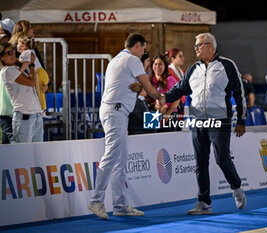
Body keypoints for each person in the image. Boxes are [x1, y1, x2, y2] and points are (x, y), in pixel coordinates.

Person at [164, 33, 247, 215]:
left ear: (210, 46)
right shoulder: (193, 69)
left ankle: (237, 187)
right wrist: (163, 97)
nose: (195, 49)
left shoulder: (227, 65)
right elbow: (180, 89)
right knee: (200, 162)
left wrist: (241, 119)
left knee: (221, 159)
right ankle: (204, 203)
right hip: (198, 120)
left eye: (198, 45)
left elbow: (240, 93)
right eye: (195, 46)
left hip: (220, 120)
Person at [88, 33, 165, 220]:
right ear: (138, 45)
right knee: (112, 155)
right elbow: (149, 88)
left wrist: (139, 87)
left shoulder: (117, 59)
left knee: (120, 161)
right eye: (144, 49)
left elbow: (135, 86)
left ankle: (119, 205)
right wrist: (162, 98)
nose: (144, 54)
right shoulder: (132, 59)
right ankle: (96, 200)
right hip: (115, 112)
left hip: (116, 111)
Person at [0, 42, 43, 143]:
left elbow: (34, 83)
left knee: (37, 155)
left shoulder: (20, 67)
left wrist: (42, 87)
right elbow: (31, 82)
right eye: (8, 52)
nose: (12, 54)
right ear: (2, 57)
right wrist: (31, 64)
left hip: (36, 114)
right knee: (23, 156)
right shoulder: (7, 71)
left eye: (13, 50)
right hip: (24, 117)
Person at [16, 32, 50, 112]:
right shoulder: (30, 51)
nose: (16, 45)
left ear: (23, 46)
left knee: (39, 91)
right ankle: (42, 109)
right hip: (42, 73)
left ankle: (42, 109)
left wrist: (20, 71)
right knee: (40, 92)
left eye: (18, 44)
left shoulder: (26, 53)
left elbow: (26, 63)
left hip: (38, 73)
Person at [150, 55, 180, 130]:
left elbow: (177, 98)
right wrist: (155, 107)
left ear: (165, 66)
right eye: (155, 64)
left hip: (170, 114)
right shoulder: (150, 80)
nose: (157, 66)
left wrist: (167, 114)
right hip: (154, 114)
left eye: (160, 64)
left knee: (169, 140)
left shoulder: (170, 80)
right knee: (154, 139)